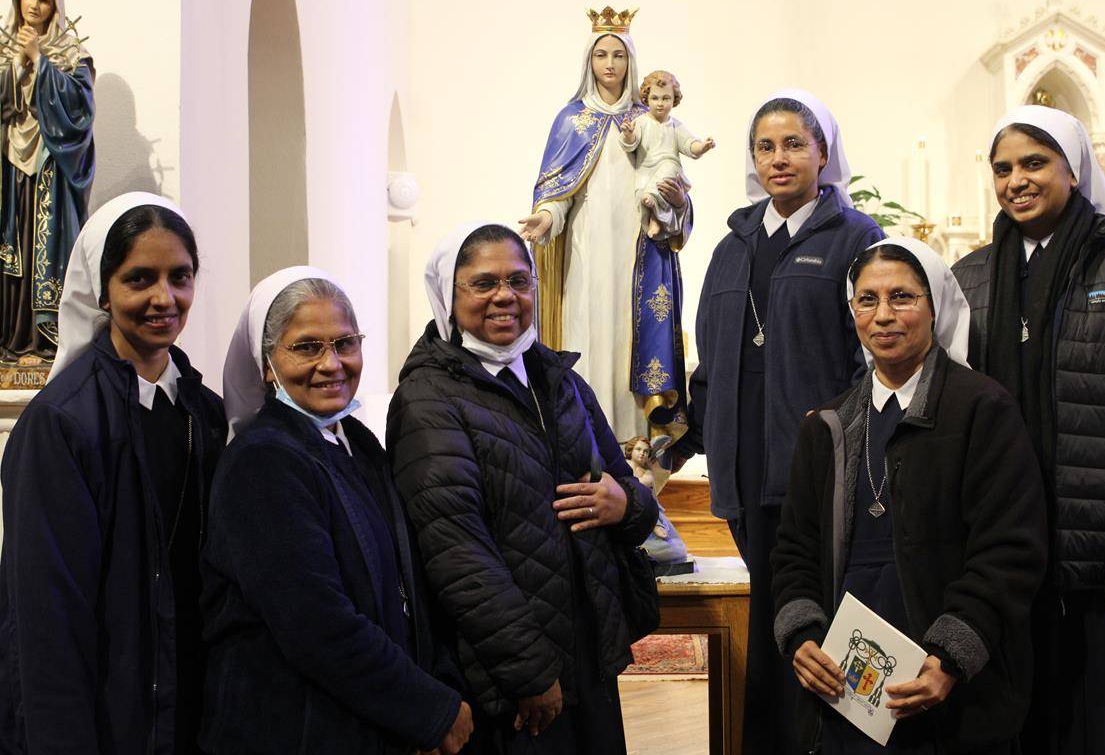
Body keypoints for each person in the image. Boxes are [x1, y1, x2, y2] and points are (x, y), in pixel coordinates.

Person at [952, 105, 1105, 755]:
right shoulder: (969, 279)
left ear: (1074, 169)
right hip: (1006, 559)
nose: (1016, 180)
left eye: (1034, 163)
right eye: (1002, 168)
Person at [388, 222, 658, 753]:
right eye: (483, 283)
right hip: (509, 674)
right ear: (449, 293)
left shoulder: (558, 379)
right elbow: (457, 554)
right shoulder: (428, 398)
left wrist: (625, 505)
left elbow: (628, 490)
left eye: (519, 280)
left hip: (587, 650)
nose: (504, 297)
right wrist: (529, 671)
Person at [669, 89, 883, 752]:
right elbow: (706, 358)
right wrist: (677, 445)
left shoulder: (856, 238)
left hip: (818, 470)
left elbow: (867, 362)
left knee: (816, 625)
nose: (779, 158)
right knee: (770, 621)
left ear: (824, 153)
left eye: (795, 143)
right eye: (766, 145)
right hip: (742, 468)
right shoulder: (733, 246)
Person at [772, 238, 1047, 754]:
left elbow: (1010, 551)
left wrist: (951, 657)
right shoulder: (828, 424)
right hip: (846, 684)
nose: (883, 316)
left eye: (902, 297)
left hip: (952, 686)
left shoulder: (982, 409)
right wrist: (802, 635)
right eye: (867, 299)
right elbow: (794, 551)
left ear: (934, 304)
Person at [201, 266, 471, 754]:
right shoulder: (263, 460)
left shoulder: (359, 444)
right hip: (294, 729)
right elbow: (316, 622)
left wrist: (439, 682)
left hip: (366, 718)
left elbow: (409, 583)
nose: (332, 363)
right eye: (306, 347)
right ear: (267, 365)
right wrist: (426, 708)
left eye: (345, 343)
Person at [0, 192, 225, 753]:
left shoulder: (204, 410)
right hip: (107, 715)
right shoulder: (60, 423)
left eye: (180, 277)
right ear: (101, 290)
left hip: (188, 702)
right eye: (139, 278)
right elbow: (44, 620)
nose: (163, 298)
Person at [517, 7, 690, 444]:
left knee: (630, 339)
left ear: (631, 62)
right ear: (588, 62)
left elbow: (672, 183)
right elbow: (559, 194)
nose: (610, 64)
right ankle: (585, 441)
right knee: (587, 334)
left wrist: (676, 205)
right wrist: (546, 216)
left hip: (639, 254)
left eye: (618, 55)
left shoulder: (648, 120)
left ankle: (636, 447)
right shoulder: (571, 120)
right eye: (601, 55)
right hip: (586, 251)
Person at [0, 0, 95, 360]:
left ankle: (44, 342)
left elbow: (79, 111)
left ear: (54, 5)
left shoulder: (73, 54)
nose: (35, 5)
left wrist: (40, 61)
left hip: (51, 169)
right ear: (18, 1)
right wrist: (17, 65)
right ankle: (9, 337)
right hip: (9, 169)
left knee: (46, 245)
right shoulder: (3, 51)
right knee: (12, 247)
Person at [618, 69, 714, 237]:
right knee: (644, 191)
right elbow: (631, 144)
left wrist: (702, 147)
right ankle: (653, 217)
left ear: (674, 100)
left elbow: (689, 144)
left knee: (668, 170)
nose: (660, 103)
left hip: (669, 169)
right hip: (645, 171)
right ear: (646, 99)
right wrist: (628, 134)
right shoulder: (641, 122)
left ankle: (656, 214)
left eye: (666, 98)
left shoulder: (675, 126)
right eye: (655, 98)